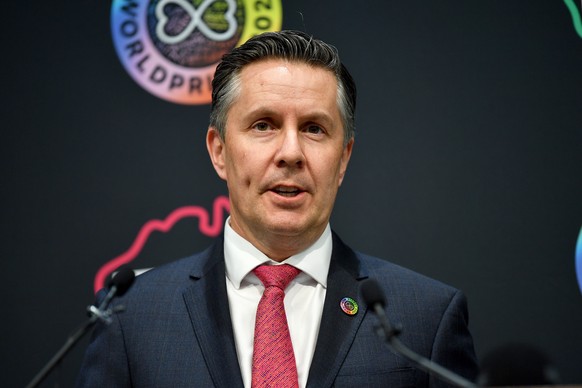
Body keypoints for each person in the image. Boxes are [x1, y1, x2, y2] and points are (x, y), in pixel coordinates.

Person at [76, 30, 478, 387]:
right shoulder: (132, 316)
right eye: (264, 125)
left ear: (343, 159)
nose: (291, 153)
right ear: (219, 151)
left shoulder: (426, 316)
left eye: (314, 129)